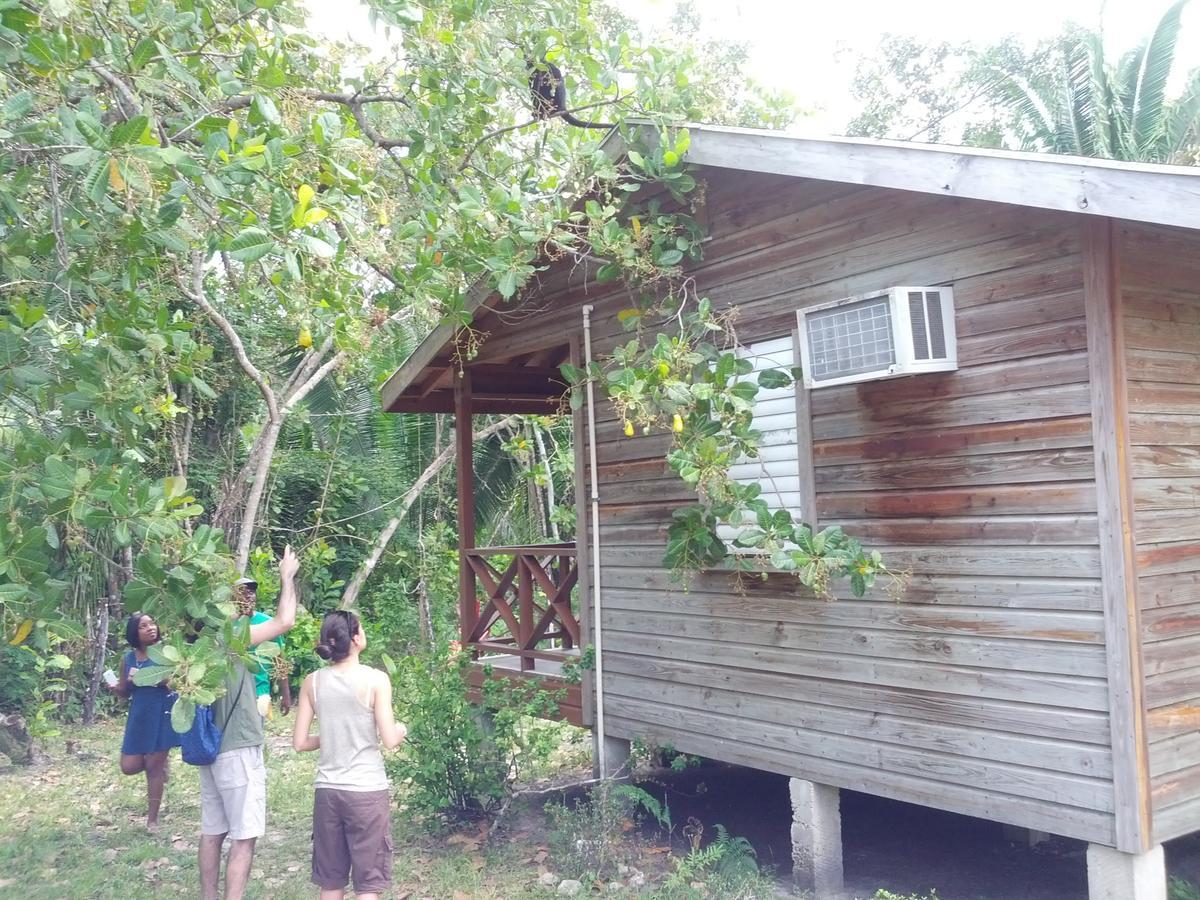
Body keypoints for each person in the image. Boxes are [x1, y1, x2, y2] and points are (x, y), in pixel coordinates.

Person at [198, 545, 299, 900]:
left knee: (213, 831)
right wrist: (286, 576)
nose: (246, 599)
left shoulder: (201, 642)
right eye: (239, 594)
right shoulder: (230, 637)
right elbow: (286, 621)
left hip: (211, 750)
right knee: (244, 836)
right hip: (237, 747)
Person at [292, 610, 407, 900]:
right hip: (366, 790)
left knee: (331, 881)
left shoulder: (312, 682)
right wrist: (402, 729)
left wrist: (331, 737)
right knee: (368, 884)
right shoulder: (376, 680)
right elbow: (390, 739)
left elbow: (300, 742)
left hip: (328, 791)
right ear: (355, 639)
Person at [107, 612, 180, 832]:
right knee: (128, 766)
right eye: (143, 626)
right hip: (139, 715)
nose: (150, 628)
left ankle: (152, 821)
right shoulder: (128, 659)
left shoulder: (166, 653)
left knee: (153, 769)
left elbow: (176, 683)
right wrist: (117, 687)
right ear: (134, 633)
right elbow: (125, 692)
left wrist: (147, 677)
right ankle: (160, 763)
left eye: (152, 623)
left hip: (162, 713)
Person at [232, 576, 294, 718]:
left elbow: (279, 661)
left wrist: (286, 695)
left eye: (252, 592)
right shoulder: (226, 624)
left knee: (254, 735)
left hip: (259, 693)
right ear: (232, 598)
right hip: (233, 693)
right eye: (242, 591)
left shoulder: (268, 623)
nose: (248, 595)